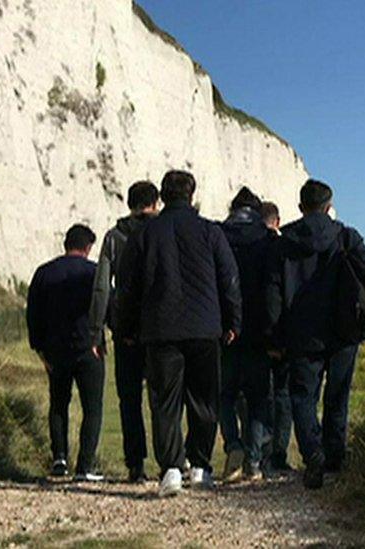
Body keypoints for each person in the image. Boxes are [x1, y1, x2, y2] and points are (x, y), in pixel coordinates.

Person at [117, 170, 242, 497]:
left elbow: (127, 287)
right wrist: (233, 321)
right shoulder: (210, 232)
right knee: (204, 398)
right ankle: (200, 467)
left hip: (160, 330)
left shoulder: (144, 234)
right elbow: (229, 279)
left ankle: (171, 469)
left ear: (161, 196)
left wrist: (126, 327)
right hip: (204, 327)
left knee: (164, 401)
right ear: (192, 194)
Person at [264, 180, 365, 489]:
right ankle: (334, 456)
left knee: (303, 397)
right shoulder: (346, 236)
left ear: (301, 206)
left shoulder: (284, 241)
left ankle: (312, 454)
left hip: (302, 332)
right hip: (345, 329)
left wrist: (275, 337)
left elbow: (273, 294)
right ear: (329, 207)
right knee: (337, 394)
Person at [87, 181, 160, 483]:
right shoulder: (161, 232)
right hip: (160, 328)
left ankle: (136, 464)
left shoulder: (114, 237)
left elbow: (102, 286)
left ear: (129, 203)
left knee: (129, 399)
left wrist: (96, 331)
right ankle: (173, 460)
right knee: (163, 398)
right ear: (156, 203)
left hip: (125, 330)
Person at [26, 224, 105, 482]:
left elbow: (33, 315)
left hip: (55, 351)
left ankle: (59, 458)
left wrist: (40, 350)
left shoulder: (44, 273)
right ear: (88, 247)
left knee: (59, 404)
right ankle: (85, 465)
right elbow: (106, 305)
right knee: (92, 407)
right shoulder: (94, 273)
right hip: (88, 348)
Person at [218, 188, 274, 482]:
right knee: (257, 397)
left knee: (224, 394)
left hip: (224, 327)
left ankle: (233, 444)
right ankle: (253, 462)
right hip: (258, 328)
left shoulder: (217, 234)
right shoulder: (267, 239)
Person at [258, 201, 294, 473]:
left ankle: (256, 454)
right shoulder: (283, 249)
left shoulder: (248, 246)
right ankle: (277, 455)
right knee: (281, 395)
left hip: (250, 334)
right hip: (280, 332)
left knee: (254, 396)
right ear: (277, 221)